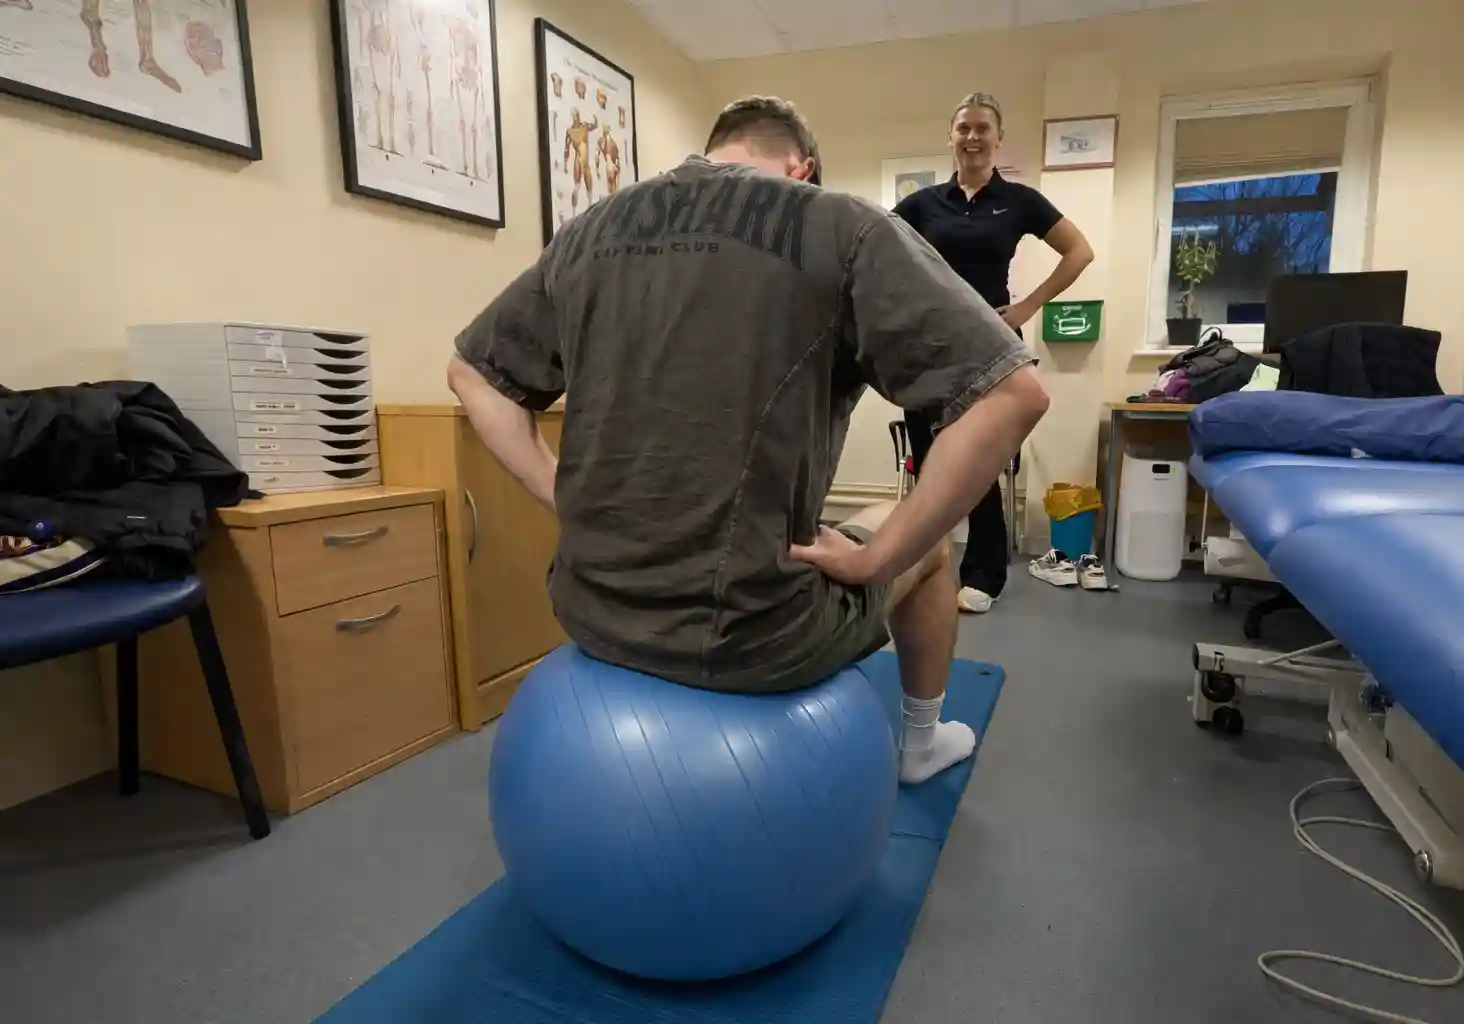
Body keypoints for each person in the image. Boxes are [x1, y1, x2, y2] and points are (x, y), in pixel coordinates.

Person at [447, 96, 1050, 785]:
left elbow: (471, 373)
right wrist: (877, 557)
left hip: (592, 611)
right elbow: (1014, 393)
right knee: (932, 550)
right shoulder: (839, 223)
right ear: (803, 168)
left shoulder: (590, 230)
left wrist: (561, 492)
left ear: (712, 151)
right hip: (757, 632)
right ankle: (920, 743)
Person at [894, 91, 1095, 613]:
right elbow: (877, 249)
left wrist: (1027, 306)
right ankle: (925, 561)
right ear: (951, 137)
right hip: (930, 345)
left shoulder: (1020, 200)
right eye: (964, 128)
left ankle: (984, 574)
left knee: (978, 460)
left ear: (998, 139)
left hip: (990, 344)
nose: (973, 137)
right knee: (931, 461)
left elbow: (1080, 251)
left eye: (983, 128)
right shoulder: (922, 204)